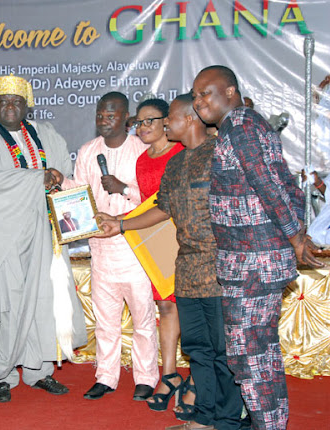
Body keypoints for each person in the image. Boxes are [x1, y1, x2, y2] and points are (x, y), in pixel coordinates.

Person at [98, 94, 243, 430]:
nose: (165, 124)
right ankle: (203, 419)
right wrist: (119, 224)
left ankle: (228, 422)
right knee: (199, 350)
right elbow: (161, 208)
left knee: (223, 353)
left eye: (170, 118)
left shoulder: (221, 153)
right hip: (186, 270)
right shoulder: (177, 164)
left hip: (219, 271)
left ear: (189, 119)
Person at [192, 65, 322, 430]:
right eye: (196, 95)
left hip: (254, 264)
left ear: (230, 92)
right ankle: (270, 423)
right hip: (253, 261)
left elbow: (268, 183)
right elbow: (285, 182)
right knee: (259, 353)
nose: (199, 102)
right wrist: (293, 233)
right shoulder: (244, 126)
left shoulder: (241, 124)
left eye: (206, 93)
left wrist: (295, 235)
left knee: (249, 355)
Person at [0, 74, 87, 403]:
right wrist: (35, 179)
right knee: (5, 305)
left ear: (27, 105)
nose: (10, 107)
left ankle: (38, 371)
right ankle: (2, 375)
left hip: (43, 238)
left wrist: (55, 177)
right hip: (1, 241)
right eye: (3, 102)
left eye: (16, 102)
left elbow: (60, 171)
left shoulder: (44, 134)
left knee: (43, 304)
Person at [59, 92, 159, 401]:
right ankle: (106, 376)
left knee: (143, 318)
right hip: (100, 249)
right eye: (100, 114)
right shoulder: (88, 151)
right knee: (106, 321)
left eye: (111, 114)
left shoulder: (143, 150)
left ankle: (145, 377)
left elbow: (159, 199)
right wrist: (59, 182)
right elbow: (81, 192)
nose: (104, 119)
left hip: (136, 248)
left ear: (127, 118)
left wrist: (124, 189)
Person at [133, 98, 187, 413]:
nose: (143, 127)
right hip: (158, 243)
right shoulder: (141, 160)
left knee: (189, 309)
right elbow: (146, 205)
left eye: (149, 120)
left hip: (187, 240)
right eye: (138, 122)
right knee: (165, 307)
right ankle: (169, 375)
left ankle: (200, 381)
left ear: (167, 121)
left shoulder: (182, 152)